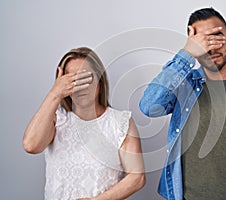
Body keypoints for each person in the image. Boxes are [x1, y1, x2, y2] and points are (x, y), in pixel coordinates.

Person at [139, 7, 226, 200]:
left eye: (217, 37)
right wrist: (186, 54)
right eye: (204, 41)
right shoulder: (183, 86)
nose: (212, 47)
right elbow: (149, 106)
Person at [23, 47, 145, 200]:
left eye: (86, 77)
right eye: (72, 79)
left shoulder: (119, 123)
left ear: (99, 80)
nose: (81, 85)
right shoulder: (56, 119)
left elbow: (137, 177)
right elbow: (31, 145)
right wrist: (54, 94)